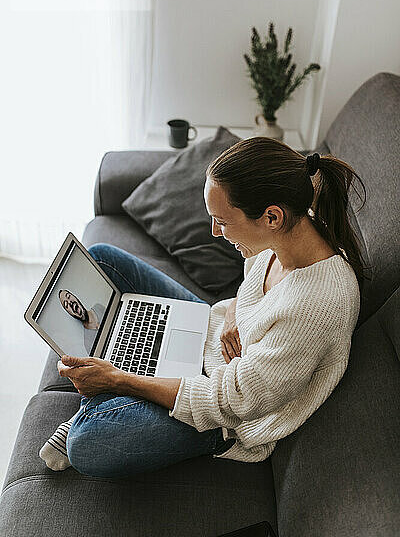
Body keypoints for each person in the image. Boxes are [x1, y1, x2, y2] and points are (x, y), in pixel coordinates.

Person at [39, 136, 369, 477]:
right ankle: (123, 366)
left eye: (223, 221)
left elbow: (231, 402)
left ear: (271, 217)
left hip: (225, 414)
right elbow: (264, 290)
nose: (215, 231)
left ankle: (106, 383)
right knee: (103, 260)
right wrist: (235, 309)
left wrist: (121, 380)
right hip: (210, 339)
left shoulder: (317, 305)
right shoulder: (294, 223)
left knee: (86, 444)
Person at [58, 289, 105, 355]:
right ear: (69, 313)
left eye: (68, 296)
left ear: (75, 297)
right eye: (66, 305)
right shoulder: (87, 342)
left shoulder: (98, 308)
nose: (70, 303)